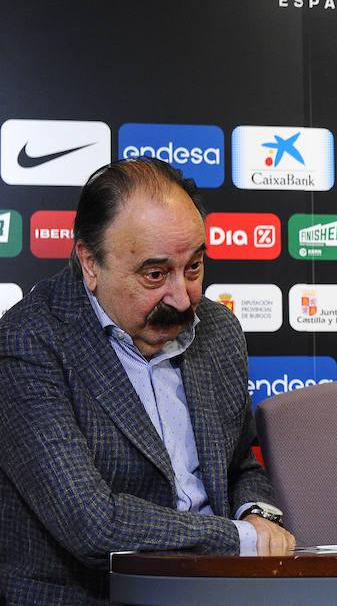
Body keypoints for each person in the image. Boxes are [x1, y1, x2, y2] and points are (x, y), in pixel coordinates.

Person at [0, 157, 295, 605]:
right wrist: (240, 539)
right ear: (90, 263)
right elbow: (93, 525)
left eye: (194, 267)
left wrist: (257, 515)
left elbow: (239, 466)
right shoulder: (27, 343)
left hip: (218, 591)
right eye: (155, 275)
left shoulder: (218, 330)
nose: (182, 297)